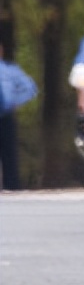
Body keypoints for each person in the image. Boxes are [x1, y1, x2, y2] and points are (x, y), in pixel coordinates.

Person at [0, 43, 38, 191]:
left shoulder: (11, 70)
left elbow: (30, 88)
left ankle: (12, 186)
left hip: (6, 115)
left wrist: (17, 101)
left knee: (9, 152)